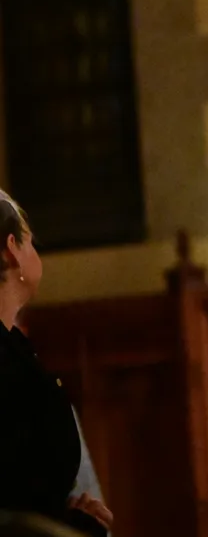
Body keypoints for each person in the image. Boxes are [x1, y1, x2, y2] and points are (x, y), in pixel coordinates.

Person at [0, 190, 113, 537]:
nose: (35, 252)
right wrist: (71, 525)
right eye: (30, 242)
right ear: (11, 251)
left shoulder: (15, 349)